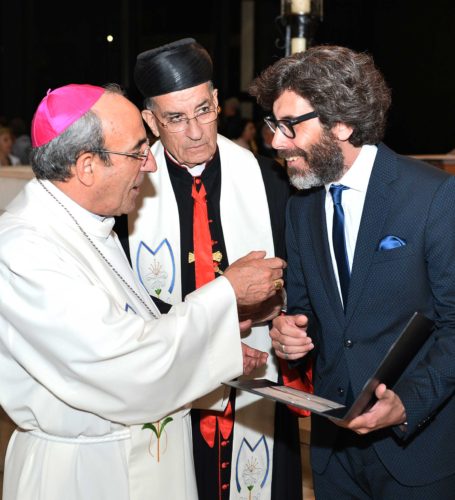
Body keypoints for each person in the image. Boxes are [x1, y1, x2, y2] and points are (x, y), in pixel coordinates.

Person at [0, 83, 287, 500]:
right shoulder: (25, 250)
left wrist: (216, 342)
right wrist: (225, 293)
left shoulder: (88, 227)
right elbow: (124, 365)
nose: (151, 164)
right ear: (86, 167)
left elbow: (135, 330)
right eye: (137, 151)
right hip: (85, 477)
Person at [251, 45, 455, 499]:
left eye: (289, 126)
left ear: (341, 124)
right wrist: (289, 334)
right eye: (273, 125)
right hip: (332, 455)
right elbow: (306, 311)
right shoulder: (301, 205)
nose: (276, 141)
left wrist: (406, 406)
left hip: (416, 451)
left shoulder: (433, 197)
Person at [120, 38, 303, 500]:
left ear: (218, 100)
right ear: (150, 122)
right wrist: (209, 350)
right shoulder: (124, 193)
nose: (197, 131)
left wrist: (287, 320)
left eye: (203, 110)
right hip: (169, 383)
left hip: (256, 377)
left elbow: (298, 277)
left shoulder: (268, 179)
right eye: (176, 119)